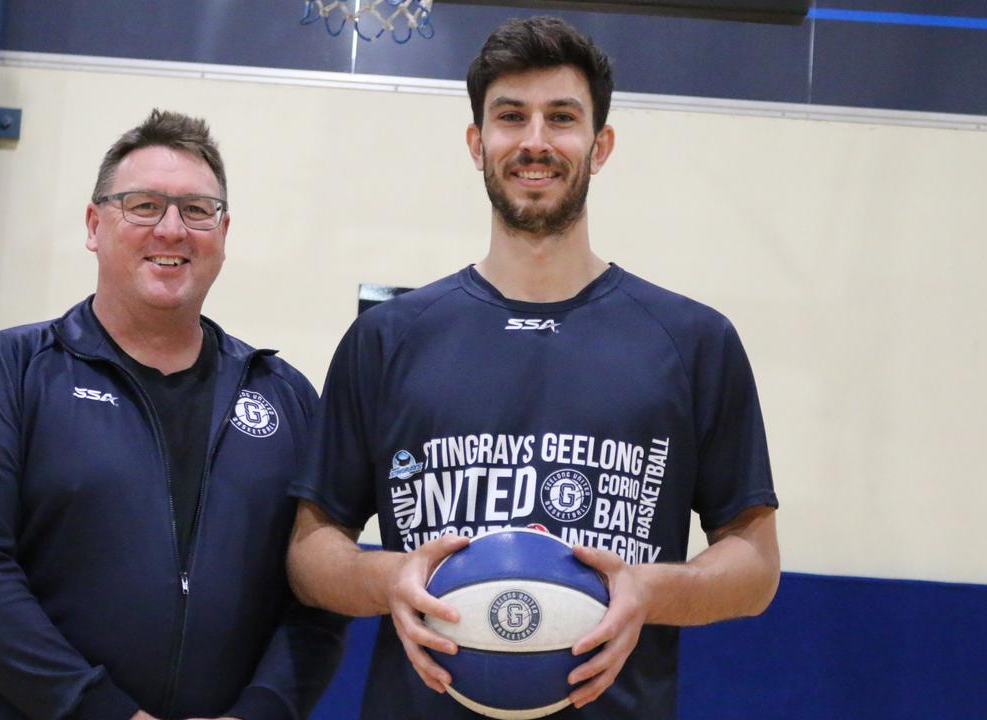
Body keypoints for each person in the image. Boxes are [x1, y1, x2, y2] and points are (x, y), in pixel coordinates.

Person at [286, 16, 780, 719]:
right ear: (476, 142)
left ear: (600, 145)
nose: (536, 141)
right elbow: (310, 553)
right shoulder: (389, 340)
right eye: (510, 117)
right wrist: (390, 577)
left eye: (562, 118)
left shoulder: (693, 340)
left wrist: (649, 591)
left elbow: (755, 567)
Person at [0, 109, 344, 720]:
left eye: (197, 210)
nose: (171, 229)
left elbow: (315, 594)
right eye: (143, 205)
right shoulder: (12, 372)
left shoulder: (285, 397)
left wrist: (262, 713)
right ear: (94, 225)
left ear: (223, 233)